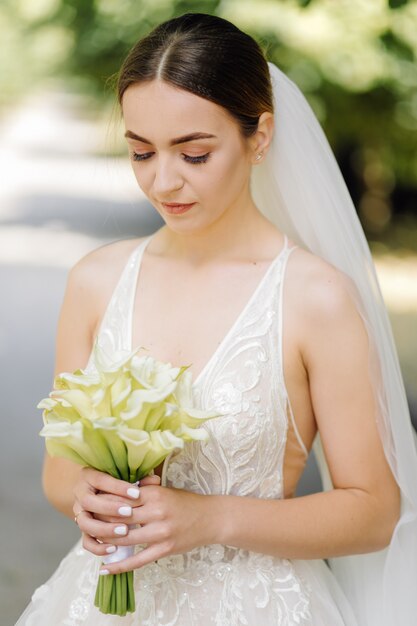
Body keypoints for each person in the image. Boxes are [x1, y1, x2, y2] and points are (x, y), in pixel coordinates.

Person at [16, 12, 417, 626]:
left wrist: (214, 518)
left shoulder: (315, 298)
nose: (163, 180)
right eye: (141, 152)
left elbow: (374, 510)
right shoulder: (96, 281)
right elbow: (58, 470)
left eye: (194, 153)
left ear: (259, 137)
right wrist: (86, 495)